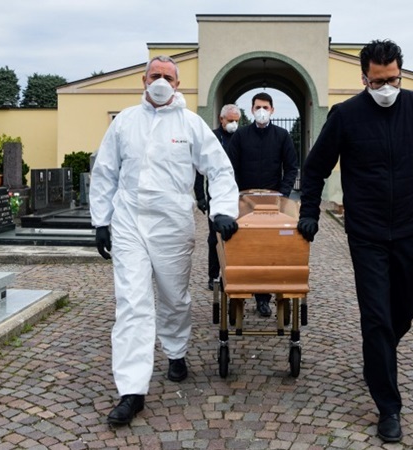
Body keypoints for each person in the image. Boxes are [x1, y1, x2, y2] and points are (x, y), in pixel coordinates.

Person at [296, 39, 413, 443]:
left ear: (401, 73)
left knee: (405, 310)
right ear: (364, 78)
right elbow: (315, 168)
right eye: (378, 81)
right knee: (376, 317)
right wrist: (309, 212)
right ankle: (388, 406)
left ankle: (379, 353)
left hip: (410, 228)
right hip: (366, 233)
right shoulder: (346, 115)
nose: (386, 88)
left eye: (393, 79)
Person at [90, 55, 240, 427]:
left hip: (172, 223)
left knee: (175, 297)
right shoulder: (125, 122)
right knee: (132, 304)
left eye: (167, 77)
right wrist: (101, 221)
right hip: (129, 221)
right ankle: (132, 390)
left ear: (177, 84)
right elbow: (105, 170)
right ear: (143, 80)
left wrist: (223, 210)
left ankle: (176, 350)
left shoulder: (190, 124)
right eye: (154, 75)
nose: (160, 81)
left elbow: (219, 168)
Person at [226, 92, 298, 317]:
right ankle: (238, 292)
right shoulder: (241, 136)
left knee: (267, 248)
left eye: (266, 107)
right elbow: (229, 166)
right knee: (243, 246)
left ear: (272, 110)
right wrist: (236, 193)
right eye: (258, 107)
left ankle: (263, 298)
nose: (262, 111)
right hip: (244, 200)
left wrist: (283, 194)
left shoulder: (282, 136)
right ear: (252, 109)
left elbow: (291, 167)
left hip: (272, 201)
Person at [194, 104, 241, 291]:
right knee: (215, 237)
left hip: (237, 195)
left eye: (236, 121)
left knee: (236, 236)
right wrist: (200, 196)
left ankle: (232, 273)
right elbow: (199, 170)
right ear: (222, 119)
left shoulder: (241, 137)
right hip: (215, 196)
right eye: (230, 120)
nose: (234, 124)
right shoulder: (211, 137)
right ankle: (213, 275)